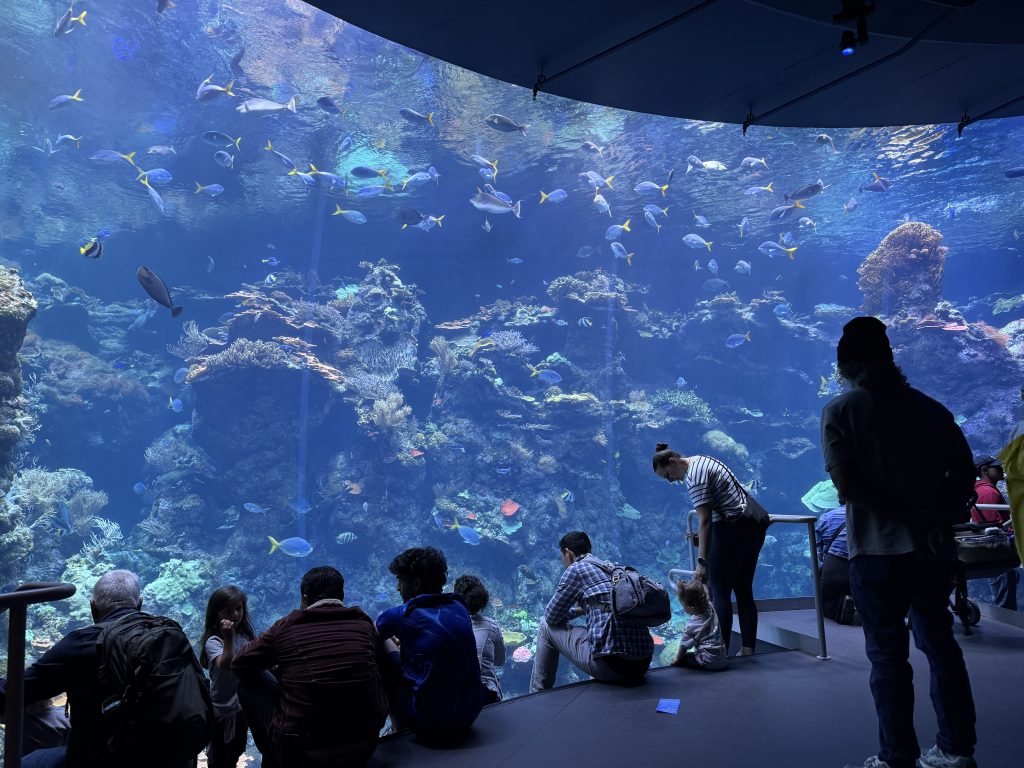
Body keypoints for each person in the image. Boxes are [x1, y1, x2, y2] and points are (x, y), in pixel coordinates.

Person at [821, 316, 978, 768]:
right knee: (941, 646)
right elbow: (964, 472)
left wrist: (911, 516)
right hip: (932, 552)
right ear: (890, 359)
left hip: (876, 553)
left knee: (888, 658)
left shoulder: (841, 411)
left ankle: (897, 757)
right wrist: (936, 517)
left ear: (846, 365)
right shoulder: (931, 409)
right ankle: (955, 749)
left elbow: (849, 486)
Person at [0, 569, 201, 768]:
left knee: (26, 763)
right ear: (139, 604)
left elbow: (15, 692)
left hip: (103, 758)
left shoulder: (83, 643)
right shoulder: (167, 636)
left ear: (92, 608)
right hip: (169, 757)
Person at [232, 566, 388, 768]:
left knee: (248, 683)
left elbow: (239, 663)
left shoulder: (286, 627)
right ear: (342, 596)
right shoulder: (364, 624)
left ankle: (272, 759)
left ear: (304, 599)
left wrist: (279, 670)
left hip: (302, 752)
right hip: (364, 745)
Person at [651, 444, 769, 656]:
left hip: (733, 529)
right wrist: (704, 540)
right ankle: (748, 649)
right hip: (752, 525)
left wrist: (702, 562)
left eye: (668, 475)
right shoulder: (704, 460)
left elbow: (705, 520)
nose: (671, 480)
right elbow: (723, 506)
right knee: (744, 591)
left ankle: (718, 652)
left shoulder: (693, 477)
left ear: (673, 462)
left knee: (718, 593)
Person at [377, 547, 482, 741]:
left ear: (415, 583)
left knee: (384, 644)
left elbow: (376, 633)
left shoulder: (402, 615)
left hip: (430, 726)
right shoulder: (459, 605)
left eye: (400, 580)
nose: (397, 588)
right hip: (470, 716)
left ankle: (398, 726)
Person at [529, 531, 653, 692]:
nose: (563, 562)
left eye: (562, 557)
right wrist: (583, 610)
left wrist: (574, 612)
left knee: (545, 625)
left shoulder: (576, 569)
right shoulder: (613, 568)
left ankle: (537, 695)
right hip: (642, 664)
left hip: (614, 668)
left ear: (568, 553)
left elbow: (552, 616)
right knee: (594, 631)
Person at [199, 585, 256, 768]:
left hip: (240, 708)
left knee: (236, 748)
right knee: (218, 756)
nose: (235, 614)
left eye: (238, 609)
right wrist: (228, 638)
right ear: (216, 613)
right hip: (220, 710)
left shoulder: (245, 637)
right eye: (228, 610)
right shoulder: (214, 641)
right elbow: (226, 665)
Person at [971, 454, 1018, 611]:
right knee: (1004, 591)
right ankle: (1007, 626)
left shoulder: (981, 490)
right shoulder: (988, 493)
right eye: (996, 467)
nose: (1001, 468)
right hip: (998, 551)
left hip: (991, 549)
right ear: (984, 470)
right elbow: (997, 526)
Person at [453, 574, 506, 704]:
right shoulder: (491, 626)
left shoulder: (447, 625)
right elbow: (500, 661)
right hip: (487, 696)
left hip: (456, 698)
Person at [671, 579, 727, 671]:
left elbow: (684, 646)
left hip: (708, 662)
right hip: (722, 659)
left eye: (683, 605)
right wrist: (703, 581)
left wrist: (677, 659)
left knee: (684, 658)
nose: (683, 607)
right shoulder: (711, 608)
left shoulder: (692, 625)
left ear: (690, 607)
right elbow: (707, 594)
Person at [815, 505, 856, 624]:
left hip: (835, 567)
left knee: (825, 599)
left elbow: (819, 555)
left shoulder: (826, 517)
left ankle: (839, 608)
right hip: (865, 566)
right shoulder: (871, 515)